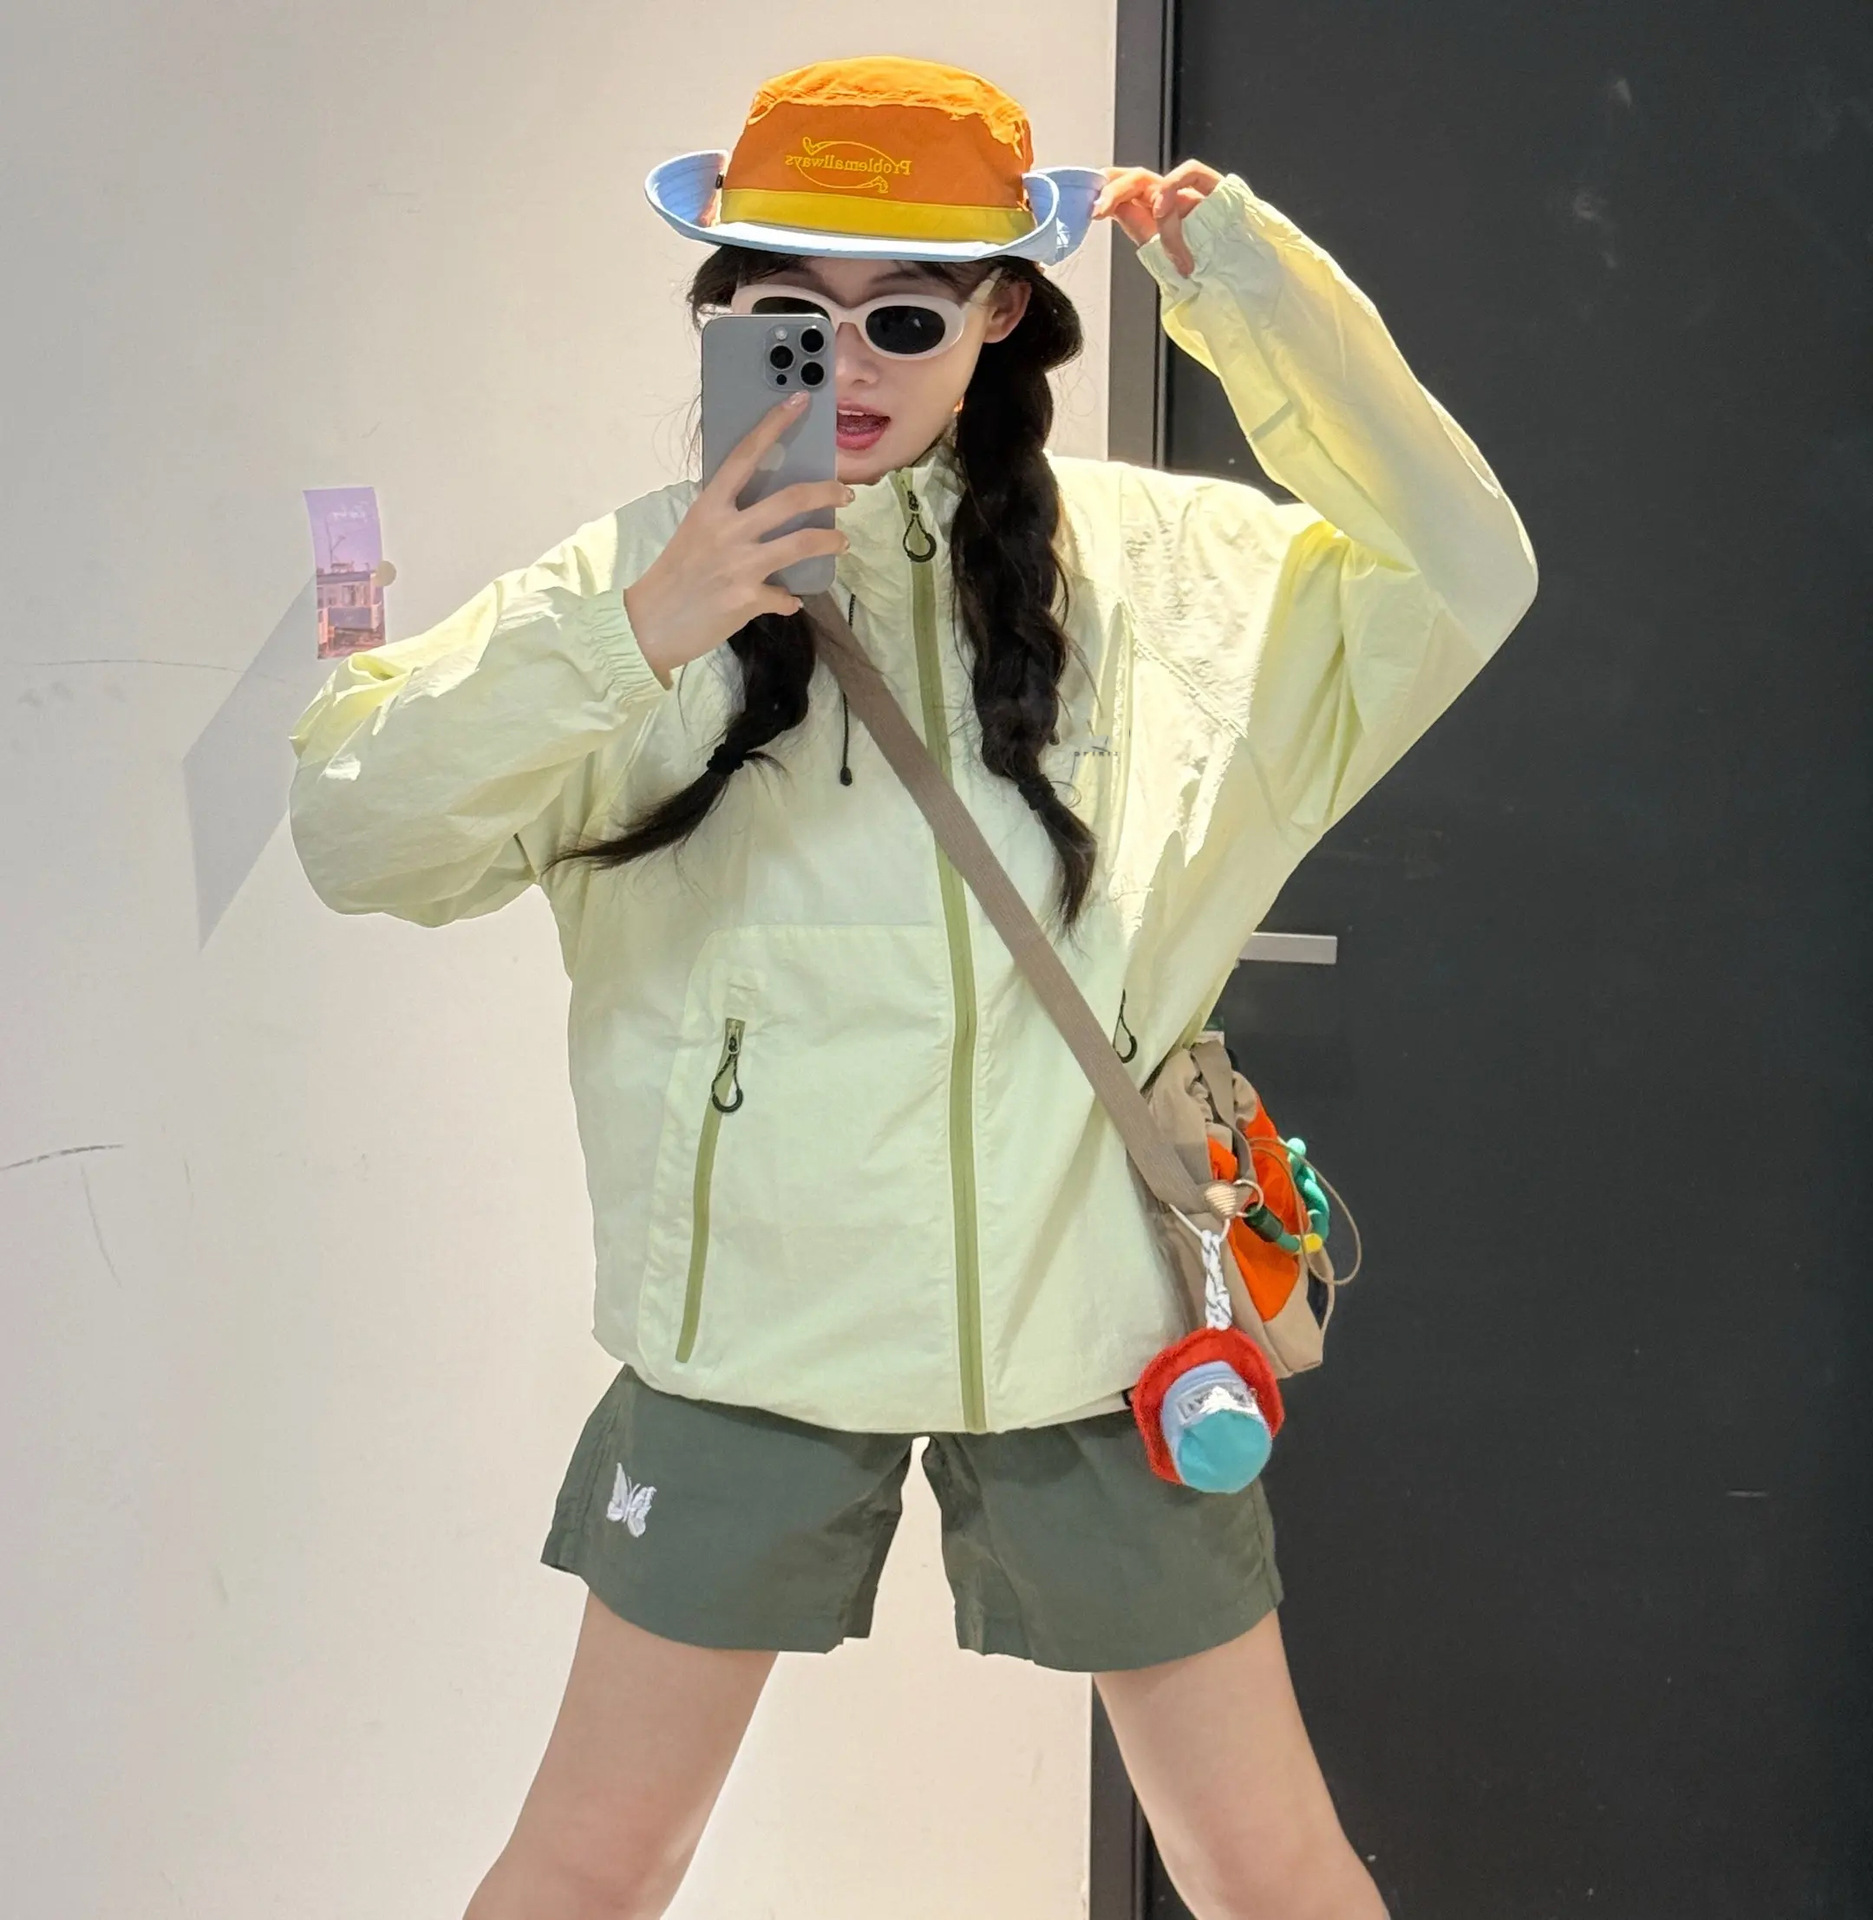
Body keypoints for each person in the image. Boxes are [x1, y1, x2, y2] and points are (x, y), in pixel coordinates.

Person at [287, 52, 1536, 1920]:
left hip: (1100, 1333)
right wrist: (646, 629)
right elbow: (359, 835)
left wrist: (1253, 304)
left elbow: (1464, 573)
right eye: (786, 312)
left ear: (1000, 315)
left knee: (1268, 1871)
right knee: (594, 1866)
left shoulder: (1161, 577)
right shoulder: (634, 581)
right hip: (746, 1337)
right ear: (722, 315)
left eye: (902, 313)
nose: (848, 364)